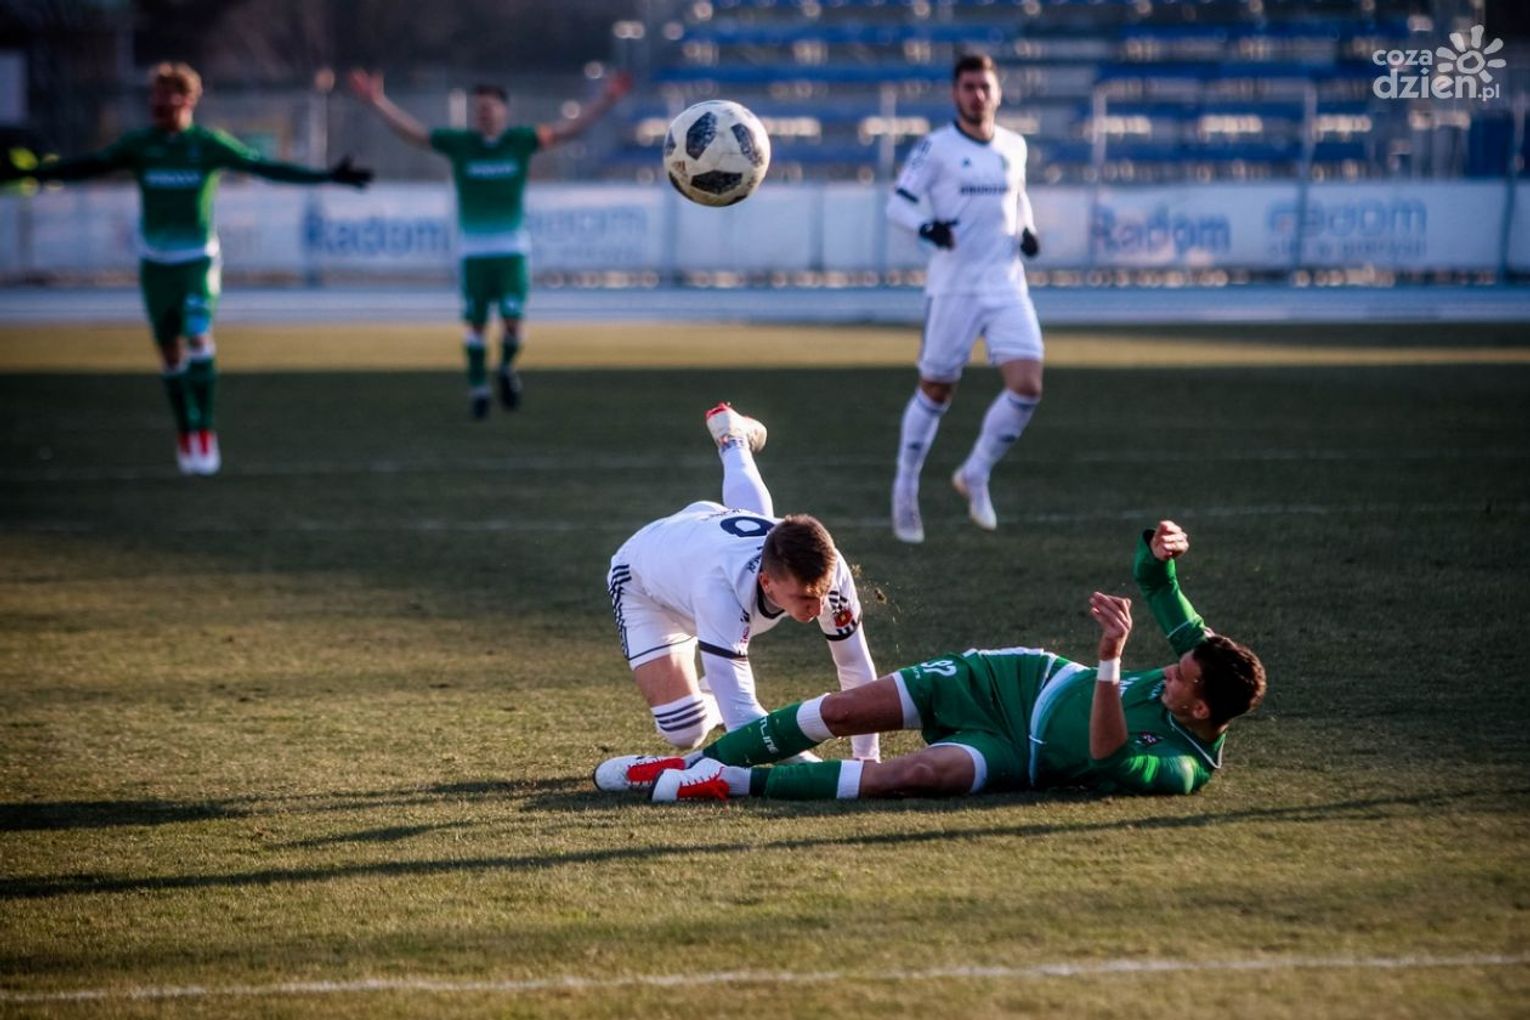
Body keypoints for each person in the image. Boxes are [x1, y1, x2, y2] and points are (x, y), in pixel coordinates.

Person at [595, 520, 1265, 803]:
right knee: (843, 711)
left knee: (911, 775)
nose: (1169, 670)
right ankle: (689, 762)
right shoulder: (1203, 661)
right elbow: (1155, 583)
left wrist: (1112, 661)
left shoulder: (1182, 769)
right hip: (1009, 680)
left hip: (1015, 755)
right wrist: (1161, 549)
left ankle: (726, 781)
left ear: (1201, 708)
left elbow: (1109, 757)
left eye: (1179, 678)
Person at [0, 62, 372, 476]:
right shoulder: (140, 145)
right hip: (155, 265)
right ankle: (185, 428)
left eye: (167, 98)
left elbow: (265, 168)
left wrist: (327, 176)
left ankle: (204, 431)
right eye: (154, 98)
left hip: (197, 260)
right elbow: (87, 166)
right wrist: (30, 173)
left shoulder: (207, 145)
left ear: (189, 100)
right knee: (169, 350)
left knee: (197, 331)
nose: (158, 106)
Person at [604, 404, 882, 764]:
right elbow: (745, 727)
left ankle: (733, 440)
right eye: (803, 598)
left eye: (822, 593)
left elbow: (855, 666)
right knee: (684, 730)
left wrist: (867, 760)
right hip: (645, 580)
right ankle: (717, 684)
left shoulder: (831, 570)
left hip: (708, 536)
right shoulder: (718, 593)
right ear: (766, 582)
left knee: (763, 523)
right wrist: (823, 773)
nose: (818, 608)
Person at [348, 68, 631, 419]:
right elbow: (416, 135)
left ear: (503, 110)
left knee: (513, 322)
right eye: (477, 108)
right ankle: (479, 389)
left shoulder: (521, 140)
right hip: (473, 253)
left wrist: (606, 100)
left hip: (512, 251)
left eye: (488, 106)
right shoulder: (461, 144)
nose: (481, 113)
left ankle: (506, 368)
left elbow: (566, 130)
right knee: (476, 326)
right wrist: (377, 101)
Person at [884, 52, 1045, 543]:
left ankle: (975, 472)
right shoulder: (935, 148)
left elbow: (1018, 197)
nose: (978, 95)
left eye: (985, 87)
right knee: (936, 390)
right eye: (969, 87)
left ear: (998, 93)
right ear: (955, 93)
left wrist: (1029, 230)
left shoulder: (1014, 145)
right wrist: (926, 226)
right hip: (954, 287)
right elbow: (897, 204)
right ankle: (905, 486)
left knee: (1027, 386)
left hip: (1007, 283)